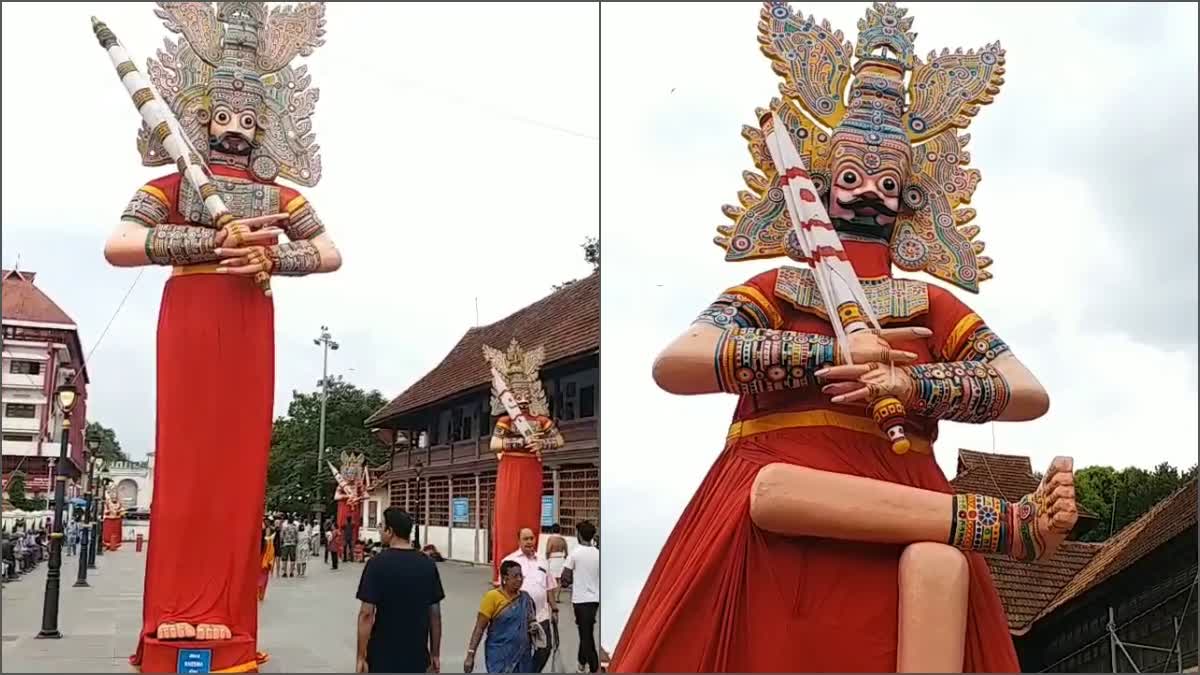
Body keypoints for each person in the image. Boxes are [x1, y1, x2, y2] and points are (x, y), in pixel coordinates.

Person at [611, 3, 1078, 672]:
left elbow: (1026, 392)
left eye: (889, 182)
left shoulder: (928, 301)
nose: (869, 195)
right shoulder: (780, 287)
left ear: (913, 198)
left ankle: (998, 526)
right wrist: (825, 353)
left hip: (906, 498)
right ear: (824, 182)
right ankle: (1004, 525)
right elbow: (677, 363)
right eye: (853, 175)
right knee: (772, 499)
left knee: (934, 569)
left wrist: (908, 381)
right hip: (777, 494)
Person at [95, 5, 343, 671]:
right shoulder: (173, 185)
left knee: (239, 462)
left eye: (248, 119)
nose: (235, 129)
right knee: (184, 460)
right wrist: (205, 238)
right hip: (192, 310)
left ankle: (229, 608)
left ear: (268, 120)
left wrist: (274, 258)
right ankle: (176, 603)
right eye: (224, 117)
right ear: (199, 115)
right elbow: (119, 243)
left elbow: (329, 251)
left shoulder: (277, 195)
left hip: (248, 317)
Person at [483, 340, 566, 583]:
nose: (520, 397)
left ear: (531, 393)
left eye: (524, 392)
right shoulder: (506, 421)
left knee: (530, 515)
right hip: (510, 467)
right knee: (508, 518)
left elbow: (559, 440)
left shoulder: (540, 420)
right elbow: (494, 444)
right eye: (516, 393)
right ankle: (504, 572)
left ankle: (529, 567)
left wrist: (542, 444)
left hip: (532, 469)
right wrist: (519, 443)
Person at [355, 508, 444, 673]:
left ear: (390, 531)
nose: (380, 530)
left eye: (382, 526)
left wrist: (361, 656)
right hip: (417, 655)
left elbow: (366, 614)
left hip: (382, 656)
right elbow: (435, 614)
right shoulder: (427, 564)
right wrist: (435, 654)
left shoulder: (376, 564)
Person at [500, 529, 557, 672]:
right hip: (519, 617)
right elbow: (502, 590)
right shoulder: (509, 561)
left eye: (531, 538)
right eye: (525, 539)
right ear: (518, 541)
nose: (529, 542)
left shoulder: (543, 562)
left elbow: (549, 587)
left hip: (541, 615)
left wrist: (554, 609)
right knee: (520, 651)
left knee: (545, 648)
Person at [466, 560, 537, 673]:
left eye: (521, 575)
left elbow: (530, 621)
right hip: (498, 655)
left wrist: (533, 627)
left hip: (522, 657)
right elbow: (479, 628)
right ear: (505, 578)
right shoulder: (492, 597)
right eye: (515, 576)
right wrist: (470, 654)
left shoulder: (525, 598)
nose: (519, 579)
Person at [561, 521, 599, 673]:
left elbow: (565, 578)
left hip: (580, 600)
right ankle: (581, 664)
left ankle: (594, 668)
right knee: (586, 632)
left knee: (586, 636)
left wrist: (567, 582)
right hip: (595, 600)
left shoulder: (575, 553)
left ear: (579, 535)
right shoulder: (598, 553)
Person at [544, 524, 568, 604]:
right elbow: (566, 553)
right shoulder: (563, 540)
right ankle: (557, 597)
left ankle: (552, 597)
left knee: (551, 579)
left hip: (553, 559)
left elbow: (548, 550)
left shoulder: (551, 539)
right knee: (559, 580)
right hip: (561, 559)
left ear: (552, 530)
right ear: (559, 530)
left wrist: (547, 558)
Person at [258, 522, 275, 602]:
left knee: (259, 577)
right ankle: (261, 594)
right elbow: (271, 553)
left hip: (260, 561)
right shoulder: (269, 541)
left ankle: (259, 593)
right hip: (265, 562)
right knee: (264, 577)